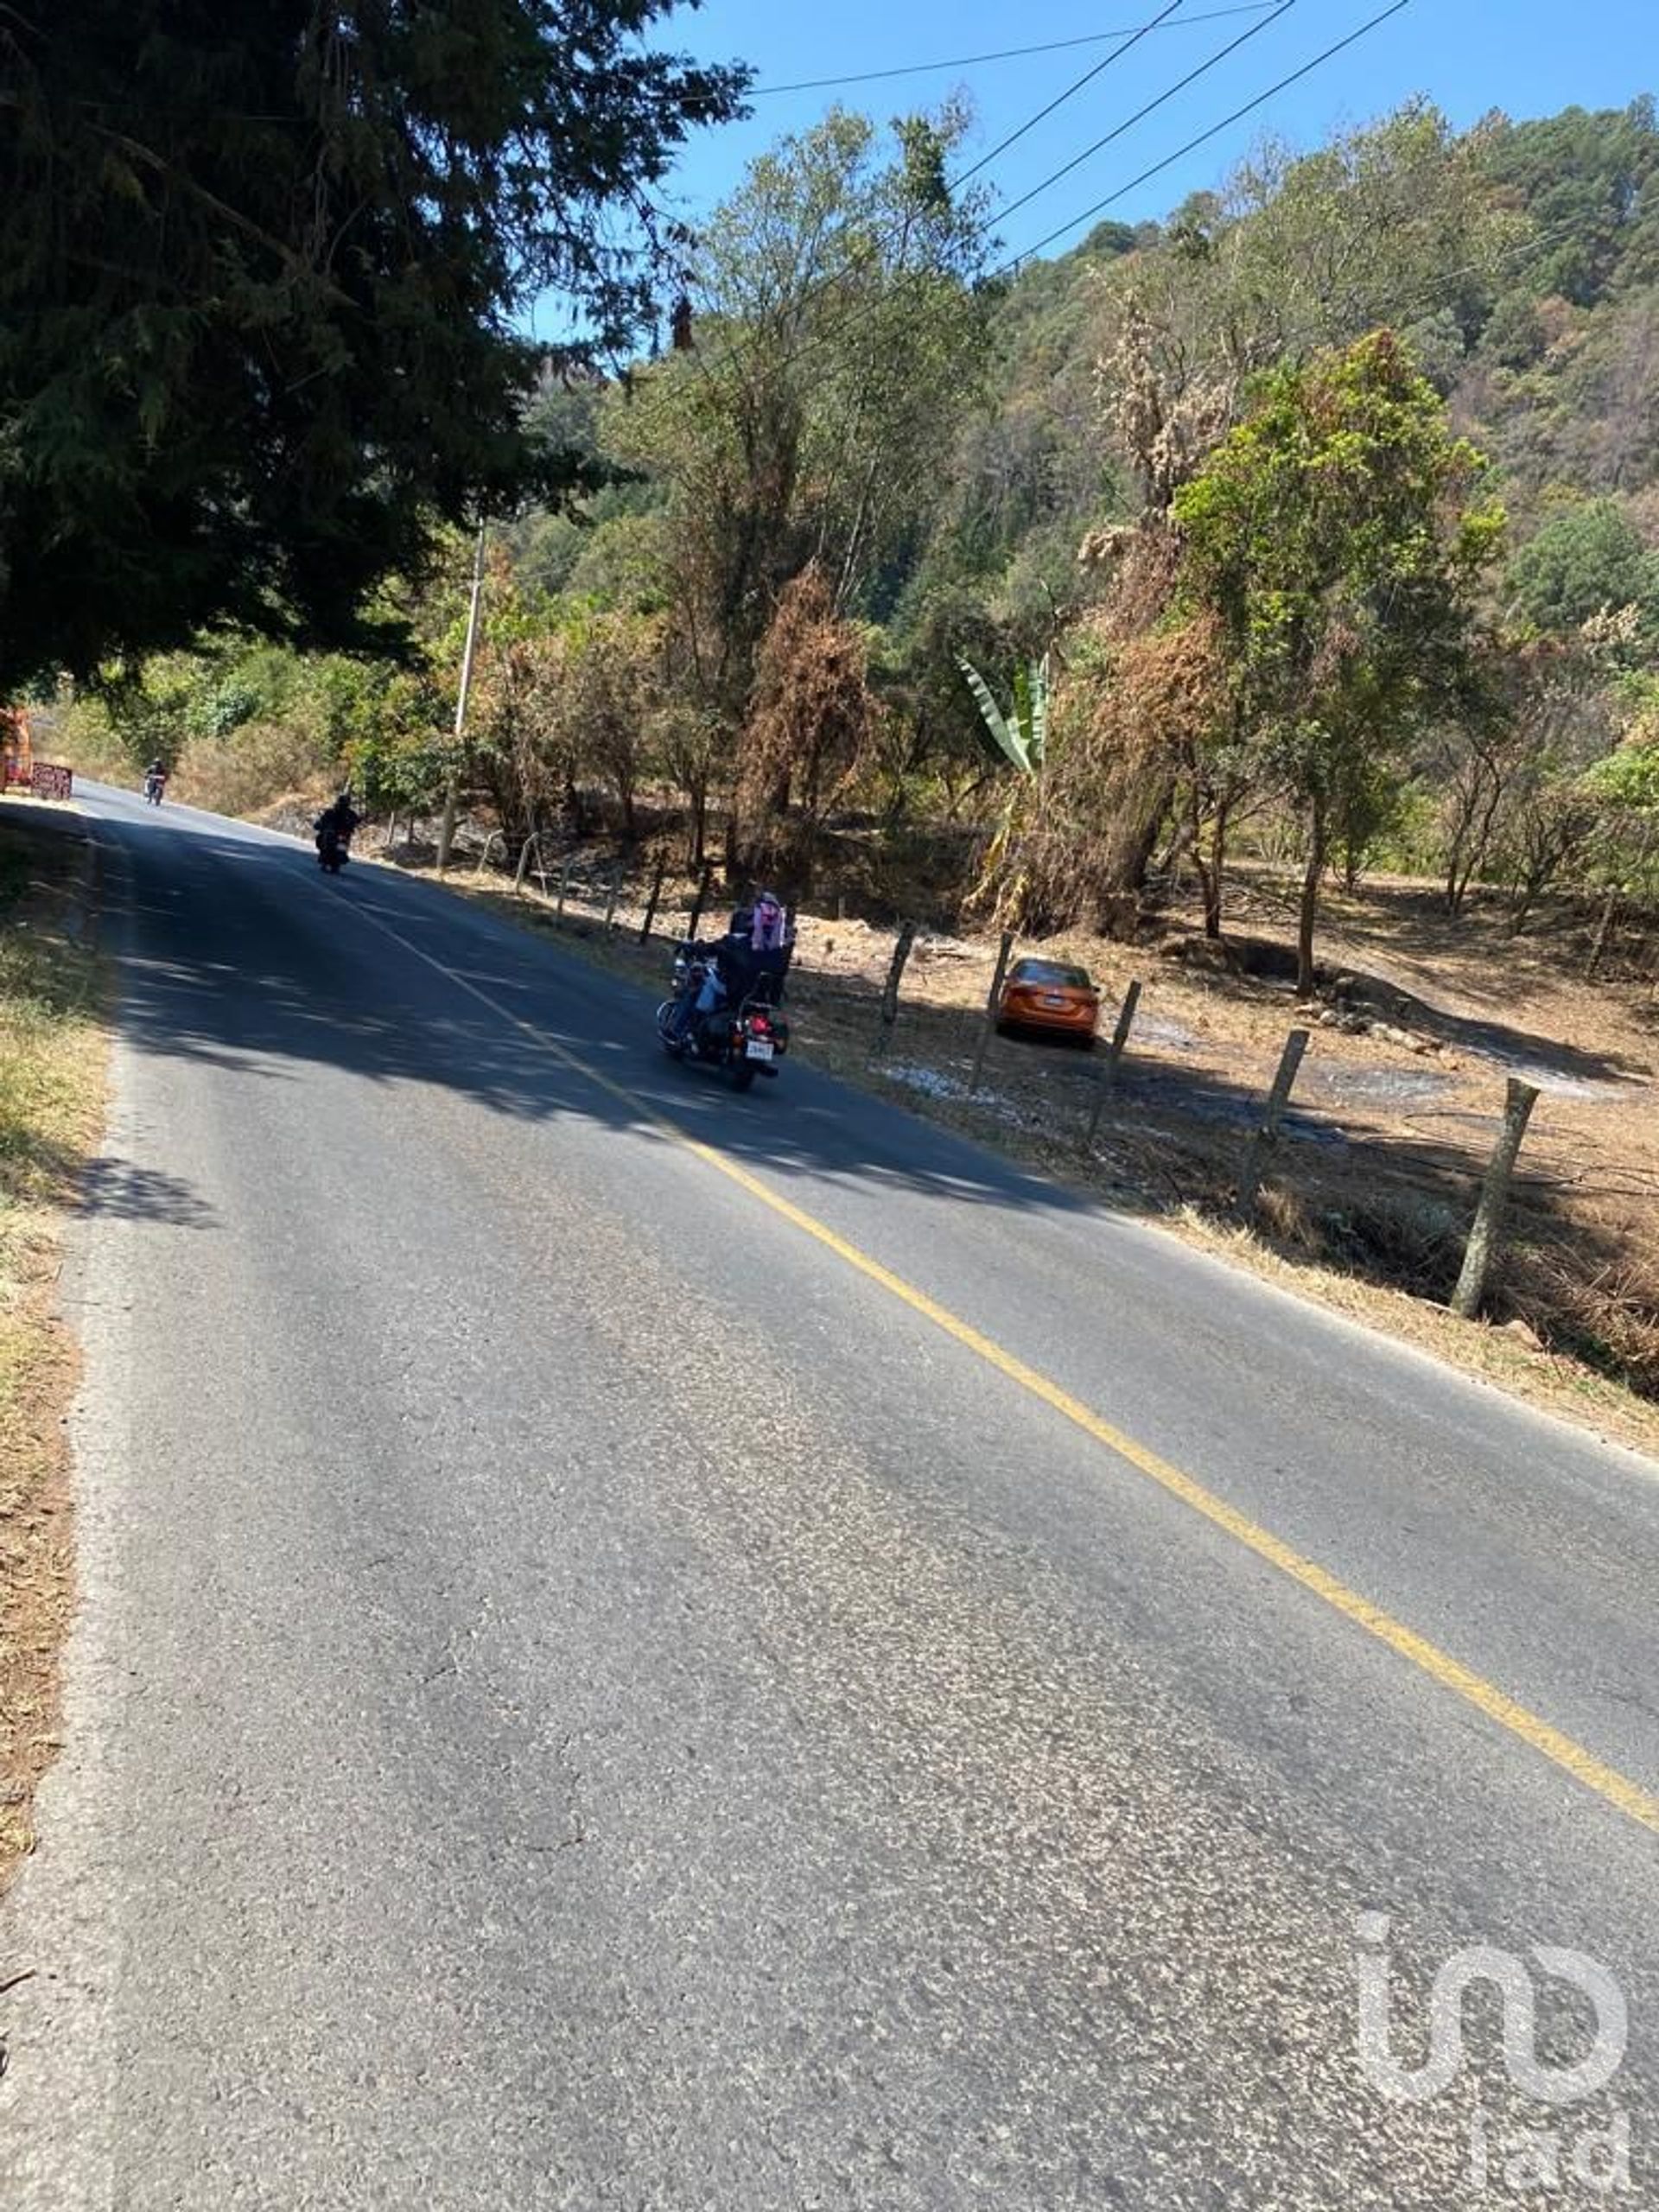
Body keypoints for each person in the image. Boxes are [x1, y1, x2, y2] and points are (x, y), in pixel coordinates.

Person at [314, 790, 361, 856]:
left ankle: (340, 852)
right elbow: (325, 817)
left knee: (327, 834)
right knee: (324, 835)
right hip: (336, 831)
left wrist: (356, 823)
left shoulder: (348, 813)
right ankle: (327, 849)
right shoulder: (340, 811)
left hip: (341, 832)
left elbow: (358, 820)